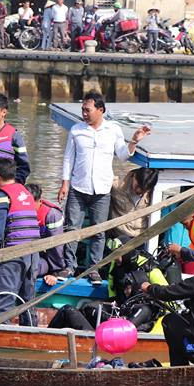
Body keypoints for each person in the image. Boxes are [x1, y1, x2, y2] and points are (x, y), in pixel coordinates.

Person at [58, 91, 151, 283]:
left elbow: (123, 155)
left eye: (88, 110)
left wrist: (134, 140)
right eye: (83, 109)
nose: (84, 113)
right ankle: (69, 267)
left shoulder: (113, 130)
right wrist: (64, 183)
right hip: (78, 187)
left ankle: (94, 269)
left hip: (101, 190)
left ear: (100, 110)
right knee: (72, 229)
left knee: (99, 232)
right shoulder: (76, 130)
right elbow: (68, 158)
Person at [0, 159, 40, 325]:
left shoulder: (0, 195)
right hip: (33, 254)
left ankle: (0, 336)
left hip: (14, 254)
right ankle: (31, 334)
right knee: (28, 301)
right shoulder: (25, 192)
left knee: (1, 302)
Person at [27, 183, 65, 285]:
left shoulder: (51, 215)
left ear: (39, 201)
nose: (27, 207)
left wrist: (55, 273)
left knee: (31, 269)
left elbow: (56, 247)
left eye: (31, 204)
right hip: (27, 253)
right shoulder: (18, 209)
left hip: (46, 257)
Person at [108, 167, 158, 239]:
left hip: (141, 236)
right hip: (120, 236)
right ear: (134, 176)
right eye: (137, 186)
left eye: (143, 190)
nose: (138, 191)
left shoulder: (153, 193)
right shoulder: (116, 185)